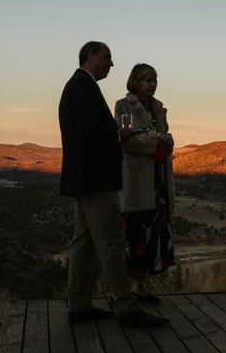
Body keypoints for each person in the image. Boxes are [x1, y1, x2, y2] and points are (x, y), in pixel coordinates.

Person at [59, 41, 168, 327]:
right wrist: (119, 134)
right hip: (96, 179)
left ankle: (80, 305)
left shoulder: (78, 85)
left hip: (83, 180)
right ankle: (126, 305)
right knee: (110, 242)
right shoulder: (84, 88)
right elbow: (91, 131)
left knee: (82, 243)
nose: (111, 64)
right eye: (107, 57)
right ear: (91, 57)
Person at [114, 63, 176, 303]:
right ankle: (128, 289)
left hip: (158, 179)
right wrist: (156, 144)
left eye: (154, 80)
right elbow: (127, 141)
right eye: (146, 80)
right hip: (138, 180)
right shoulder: (123, 105)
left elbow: (166, 137)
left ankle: (141, 288)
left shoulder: (158, 108)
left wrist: (164, 141)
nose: (152, 84)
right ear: (135, 81)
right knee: (136, 233)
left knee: (155, 234)